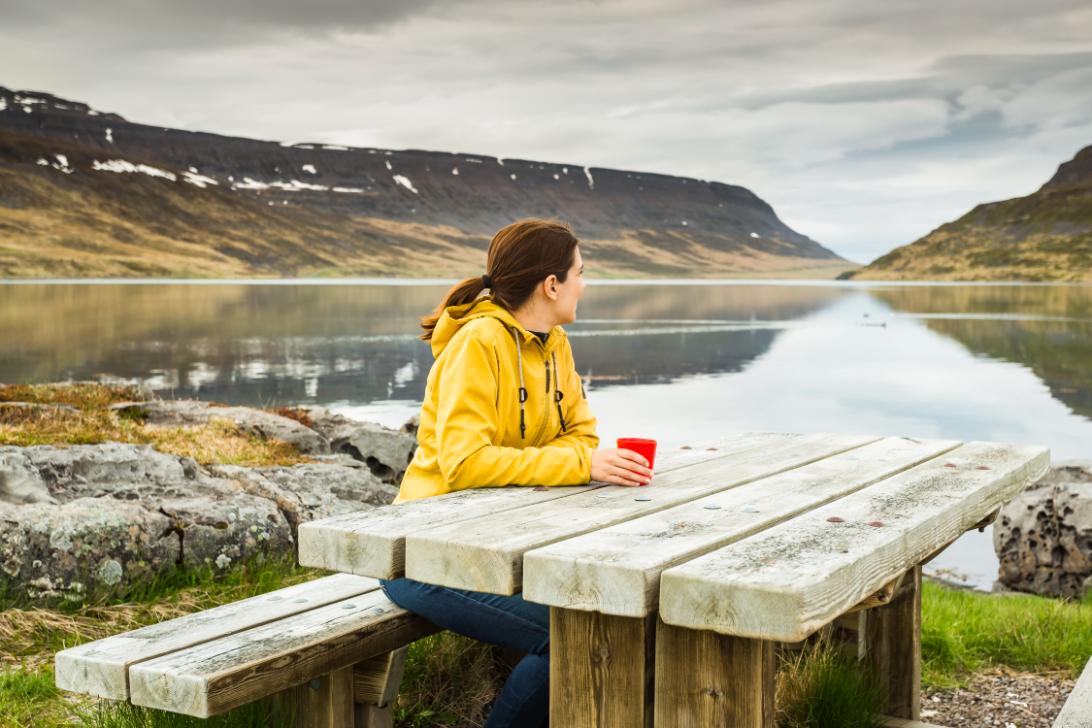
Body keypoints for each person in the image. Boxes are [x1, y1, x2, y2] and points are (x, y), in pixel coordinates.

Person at [380, 218, 653, 728]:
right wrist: (575, 464)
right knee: (570, 633)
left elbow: (583, 436)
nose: (585, 285)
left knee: (615, 615)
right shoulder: (477, 344)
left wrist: (577, 458)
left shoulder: (555, 344)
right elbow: (465, 464)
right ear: (551, 285)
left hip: (493, 541)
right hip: (419, 551)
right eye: (580, 272)